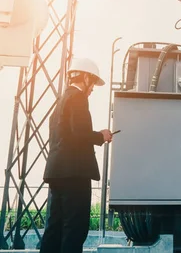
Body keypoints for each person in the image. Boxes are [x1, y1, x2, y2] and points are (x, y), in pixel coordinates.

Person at [40, 57, 113, 253]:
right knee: (75, 227)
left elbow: (66, 136)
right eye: (92, 84)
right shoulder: (78, 98)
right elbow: (79, 133)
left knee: (54, 227)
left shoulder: (61, 100)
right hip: (75, 173)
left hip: (56, 172)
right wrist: (101, 135)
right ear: (86, 77)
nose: (92, 89)